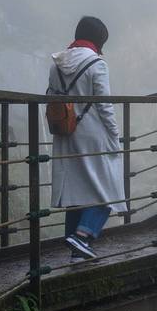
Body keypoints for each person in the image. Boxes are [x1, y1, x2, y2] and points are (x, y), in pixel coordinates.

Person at [48, 16, 126, 262]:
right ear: (98, 40)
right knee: (109, 187)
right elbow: (105, 106)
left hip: (66, 133)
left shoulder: (56, 63)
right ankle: (83, 236)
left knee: (75, 190)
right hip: (93, 134)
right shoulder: (97, 64)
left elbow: (51, 96)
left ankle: (76, 251)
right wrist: (115, 135)